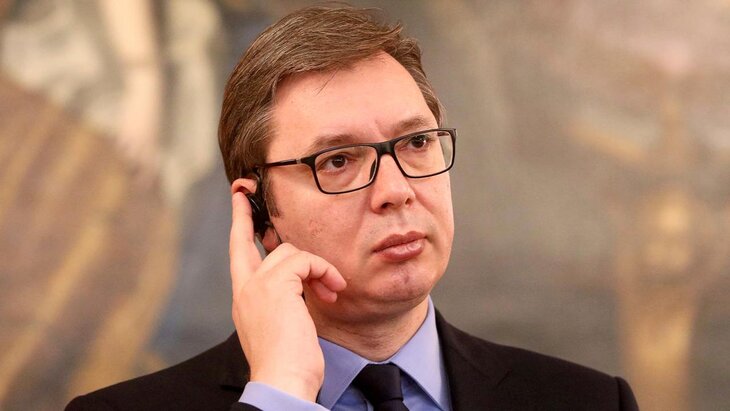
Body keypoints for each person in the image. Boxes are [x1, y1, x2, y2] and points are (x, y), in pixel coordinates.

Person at [66, 4, 639, 410]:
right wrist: (281, 393)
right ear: (260, 213)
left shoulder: (590, 401)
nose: (396, 190)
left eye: (417, 143)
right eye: (338, 160)